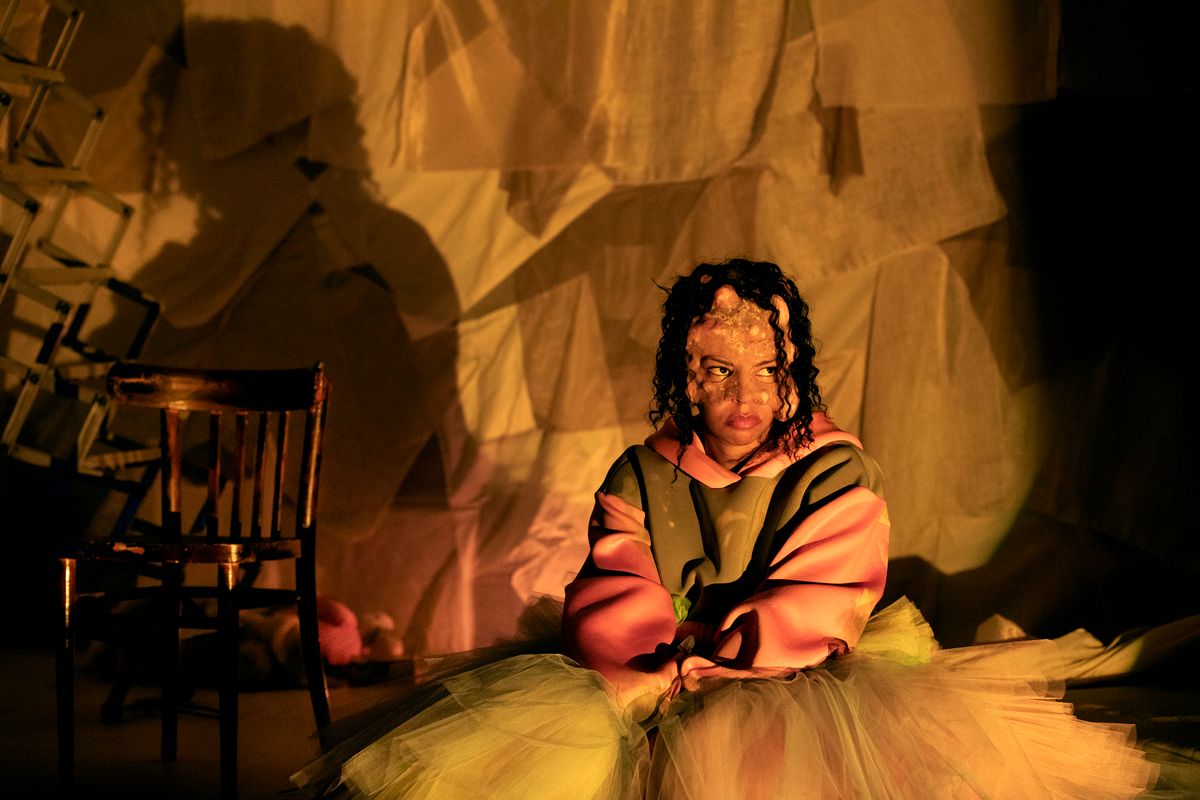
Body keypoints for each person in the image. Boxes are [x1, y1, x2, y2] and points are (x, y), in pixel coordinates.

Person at [294, 259, 1158, 799]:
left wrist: (726, 653)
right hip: (661, 663)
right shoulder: (644, 473)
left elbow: (828, 588)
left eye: (766, 371)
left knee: (758, 767)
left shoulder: (832, 468)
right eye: (718, 372)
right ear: (684, 379)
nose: (745, 396)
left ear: (793, 375)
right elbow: (616, 576)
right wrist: (649, 657)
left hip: (793, 670)